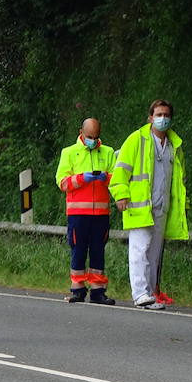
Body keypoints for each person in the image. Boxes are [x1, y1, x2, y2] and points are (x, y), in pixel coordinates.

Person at [109, 99, 186, 309]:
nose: (163, 119)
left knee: (154, 253)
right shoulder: (137, 140)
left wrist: (181, 205)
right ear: (150, 118)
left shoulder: (173, 145)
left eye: (166, 115)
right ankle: (140, 293)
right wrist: (121, 195)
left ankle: (150, 294)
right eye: (159, 115)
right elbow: (120, 170)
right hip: (139, 205)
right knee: (139, 249)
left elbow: (178, 180)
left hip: (162, 206)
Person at [56, 117, 117, 305]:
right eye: (90, 136)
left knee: (98, 251)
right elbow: (62, 182)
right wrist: (82, 179)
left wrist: (105, 177)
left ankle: (98, 291)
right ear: (81, 132)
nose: (93, 140)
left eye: (96, 137)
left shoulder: (107, 152)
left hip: (100, 213)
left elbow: (117, 178)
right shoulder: (69, 153)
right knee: (78, 250)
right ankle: (77, 289)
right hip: (78, 214)